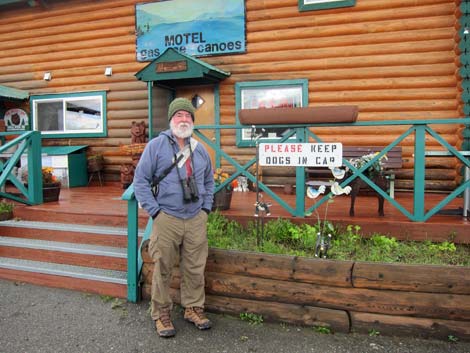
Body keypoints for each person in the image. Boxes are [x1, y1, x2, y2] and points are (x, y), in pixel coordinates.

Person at [133, 97, 215, 338]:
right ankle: (161, 314)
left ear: (192, 121)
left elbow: (209, 182)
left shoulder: (200, 150)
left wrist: (206, 209)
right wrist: (155, 212)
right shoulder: (156, 146)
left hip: (196, 218)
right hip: (166, 216)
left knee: (195, 267)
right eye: (179, 115)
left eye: (188, 116)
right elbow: (140, 181)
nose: (184, 119)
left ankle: (193, 308)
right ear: (171, 120)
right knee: (163, 268)